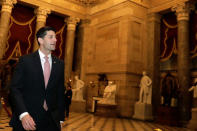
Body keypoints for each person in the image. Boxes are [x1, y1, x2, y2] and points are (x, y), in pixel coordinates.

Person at [9, 26, 65, 131]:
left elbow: (60, 92)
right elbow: (15, 89)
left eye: (55, 37)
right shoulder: (25, 61)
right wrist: (23, 114)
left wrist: (60, 119)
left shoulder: (60, 64)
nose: (55, 40)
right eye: (51, 37)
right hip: (28, 120)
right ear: (40, 40)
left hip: (51, 121)